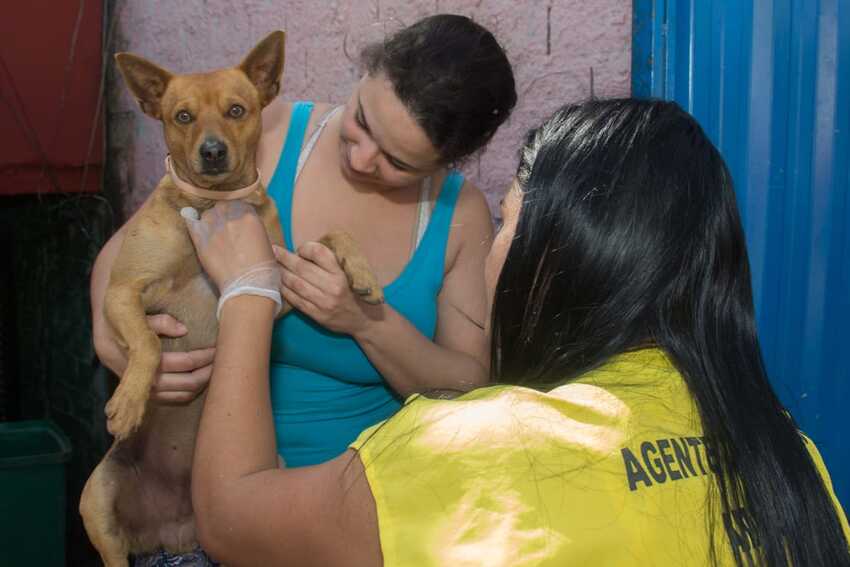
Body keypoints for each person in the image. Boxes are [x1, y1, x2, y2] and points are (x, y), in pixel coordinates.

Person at [186, 99, 850, 566]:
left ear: (555, 256)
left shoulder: (471, 455)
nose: (490, 253)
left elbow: (229, 514)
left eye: (505, 223)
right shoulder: (789, 456)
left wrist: (247, 292)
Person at [91, 14, 517, 467]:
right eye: (363, 122)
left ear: (448, 163)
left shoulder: (461, 215)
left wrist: (365, 322)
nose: (361, 157)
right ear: (362, 77)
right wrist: (110, 338)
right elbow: (127, 250)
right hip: (214, 480)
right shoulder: (264, 131)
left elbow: (469, 388)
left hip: (372, 491)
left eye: (398, 162)